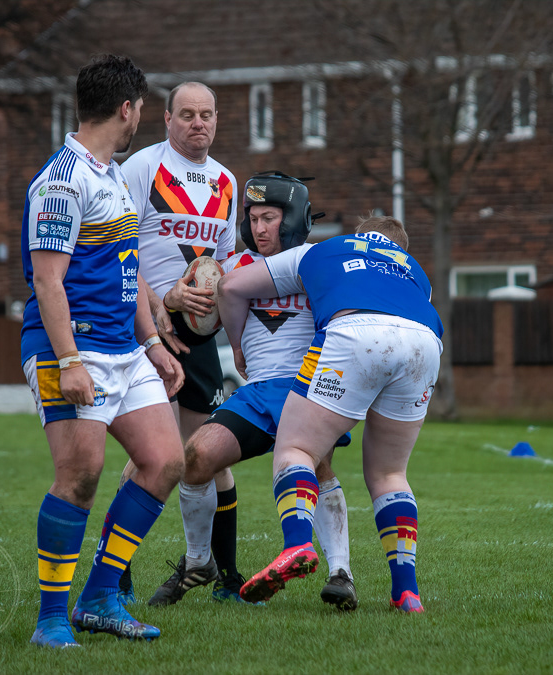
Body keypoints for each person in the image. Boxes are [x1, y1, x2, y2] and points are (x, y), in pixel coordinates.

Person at [20, 54, 186, 649]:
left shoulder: (111, 173)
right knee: (82, 474)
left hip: (124, 346)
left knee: (166, 461)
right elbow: (47, 282)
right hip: (71, 348)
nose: (140, 114)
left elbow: (129, 267)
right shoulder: (62, 181)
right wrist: (68, 362)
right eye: (141, 106)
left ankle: (99, 597)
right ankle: (51, 620)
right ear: (127, 108)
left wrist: (152, 342)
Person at [217, 215, 443, 613]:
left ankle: (297, 545)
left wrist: (236, 347)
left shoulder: (326, 249)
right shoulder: (414, 271)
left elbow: (231, 285)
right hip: (425, 341)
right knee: (390, 474)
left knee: (296, 450)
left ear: (360, 237)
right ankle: (406, 591)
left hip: (354, 331)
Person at [158, 173, 358, 610]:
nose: (260, 227)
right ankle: (199, 561)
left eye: (270, 217)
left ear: (294, 219)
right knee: (197, 456)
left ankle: (341, 573)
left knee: (320, 464)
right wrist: (173, 297)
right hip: (256, 393)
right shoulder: (230, 268)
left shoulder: (316, 261)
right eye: (253, 218)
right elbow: (184, 307)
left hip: (309, 388)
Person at [117, 81, 242, 603]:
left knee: (208, 457)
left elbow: (227, 264)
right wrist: (159, 301)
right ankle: (116, 576)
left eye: (207, 114)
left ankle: (224, 577)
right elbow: (116, 249)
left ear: (217, 119)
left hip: (199, 338)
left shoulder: (227, 182)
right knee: (148, 455)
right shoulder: (142, 168)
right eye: (187, 114)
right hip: (145, 331)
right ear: (166, 119)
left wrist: (229, 327)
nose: (198, 123)